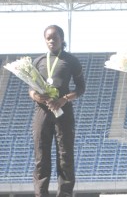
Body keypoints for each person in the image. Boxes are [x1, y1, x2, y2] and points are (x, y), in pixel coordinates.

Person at [29, 25, 85, 197]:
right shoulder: (37, 61)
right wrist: (37, 97)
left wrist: (64, 99)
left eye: (55, 37)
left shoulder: (71, 60)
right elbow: (30, 89)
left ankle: (65, 193)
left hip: (63, 112)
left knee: (65, 155)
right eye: (48, 38)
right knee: (41, 156)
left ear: (62, 38)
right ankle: (41, 194)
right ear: (45, 40)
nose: (51, 41)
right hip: (42, 112)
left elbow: (81, 88)